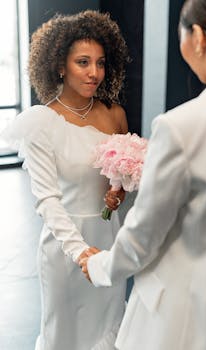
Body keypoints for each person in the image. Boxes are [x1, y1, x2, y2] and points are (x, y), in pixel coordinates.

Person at [79, 0, 206, 349]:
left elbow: (144, 233)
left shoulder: (181, 125)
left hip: (183, 316)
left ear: (198, 37)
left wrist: (102, 266)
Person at [1, 10, 130, 350]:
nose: (94, 73)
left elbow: (120, 184)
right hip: (64, 249)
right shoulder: (41, 123)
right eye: (83, 62)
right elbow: (47, 200)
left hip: (108, 239)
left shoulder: (114, 114)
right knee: (66, 335)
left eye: (100, 63)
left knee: (109, 324)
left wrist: (119, 194)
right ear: (60, 66)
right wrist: (80, 253)